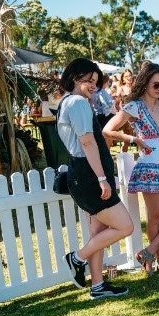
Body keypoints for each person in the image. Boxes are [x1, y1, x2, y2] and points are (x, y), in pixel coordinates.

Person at [103, 63, 159, 275]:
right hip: (149, 169)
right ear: (145, 84)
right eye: (156, 85)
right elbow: (107, 130)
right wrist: (134, 139)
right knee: (156, 217)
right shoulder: (134, 106)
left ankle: (147, 251)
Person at [57, 58, 132, 299]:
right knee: (126, 226)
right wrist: (101, 177)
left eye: (96, 82)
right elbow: (87, 142)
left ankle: (98, 285)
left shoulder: (68, 102)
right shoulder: (78, 102)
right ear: (74, 77)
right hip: (89, 175)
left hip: (82, 172)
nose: (92, 85)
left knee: (97, 233)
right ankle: (76, 259)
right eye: (88, 80)